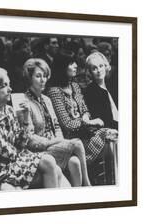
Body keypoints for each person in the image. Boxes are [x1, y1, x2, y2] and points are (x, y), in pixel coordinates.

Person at [0, 66, 64, 189]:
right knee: (48, 162)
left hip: (16, 159)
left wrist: (26, 118)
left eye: (9, 85)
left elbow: (21, 142)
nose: (10, 89)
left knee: (56, 169)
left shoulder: (9, 110)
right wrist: (25, 156)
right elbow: (1, 150)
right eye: (5, 86)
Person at [46, 52, 117, 185]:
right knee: (110, 141)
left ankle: (112, 180)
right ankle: (100, 182)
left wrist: (86, 118)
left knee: (112, 136)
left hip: (86, 132)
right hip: (71, 137)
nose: (75, 66)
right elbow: (66, 123)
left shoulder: (75, 85)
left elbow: (84, 109)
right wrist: (87, 122)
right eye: (71, 63)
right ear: (62, 67)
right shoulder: (54, 91)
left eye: (75, 63)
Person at [22, 58, 91, 187]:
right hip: (39, 151)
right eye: (38, 76)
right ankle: (87, 185)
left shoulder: (47, 99)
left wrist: (59, 140)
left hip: (55, 146)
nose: (43, 80)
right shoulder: (25, 102)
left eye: (45, 76)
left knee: (75, 161)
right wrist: (52, 142)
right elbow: (29, 138)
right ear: (29, 78)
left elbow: (57, 125)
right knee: (77, 143)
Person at [84, 52, 118, 129]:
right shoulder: (90, 92)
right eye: (94, 68)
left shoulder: (112, 86)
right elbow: (104, 121)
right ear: (90, 72)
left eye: (101, 66)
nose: (99, 70)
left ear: (105, 67)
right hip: (109, 131)